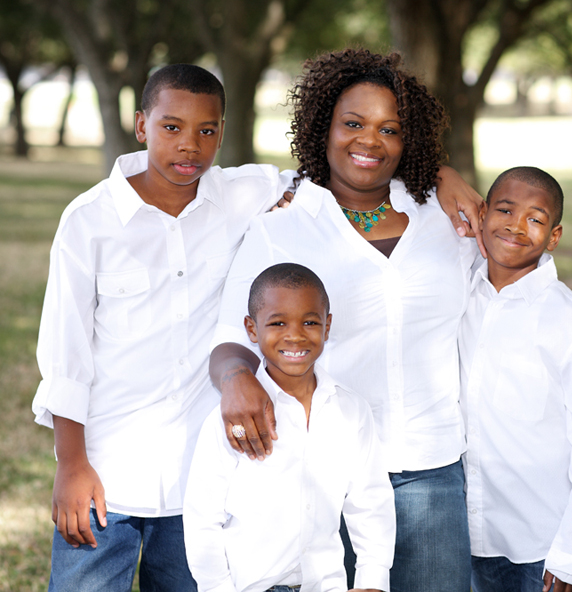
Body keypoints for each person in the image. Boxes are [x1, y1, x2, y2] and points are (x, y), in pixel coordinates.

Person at [32, 61, 481, 591]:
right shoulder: (97, 220)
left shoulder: (252, 195)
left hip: (245, 474)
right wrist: (71, 462)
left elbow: (343, 171)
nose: (189, 146)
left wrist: (441, 174)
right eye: (171, 127)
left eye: (207, 131)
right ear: (141, 125)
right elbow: (69, 356)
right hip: (140, 467)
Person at [210, 49, 475, 592]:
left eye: (390, 129)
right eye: (352, 123)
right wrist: (236, 379)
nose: (369, 141)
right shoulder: (282, 226)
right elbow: (229, 337)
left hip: (431, 469)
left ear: (411, 140)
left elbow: (510, 282)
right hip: (323, 469)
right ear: (322, 127)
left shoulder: (447, 221)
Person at [184, 263, 395, 592]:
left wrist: (372, 579)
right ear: (252, 330)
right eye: (278, 322)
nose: (295, 335)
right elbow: (203, 518)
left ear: (327, 326)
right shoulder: (231, 419)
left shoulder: (351, 411)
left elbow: (370, 503)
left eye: (310, 322)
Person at [460, 167, 572, 592]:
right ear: (484, 214)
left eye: (536, 219)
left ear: (554, 236)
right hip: (463, 535)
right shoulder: (459, 288)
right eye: (505, 210)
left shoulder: (567, 320)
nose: (516, 225)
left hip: (540, 546)